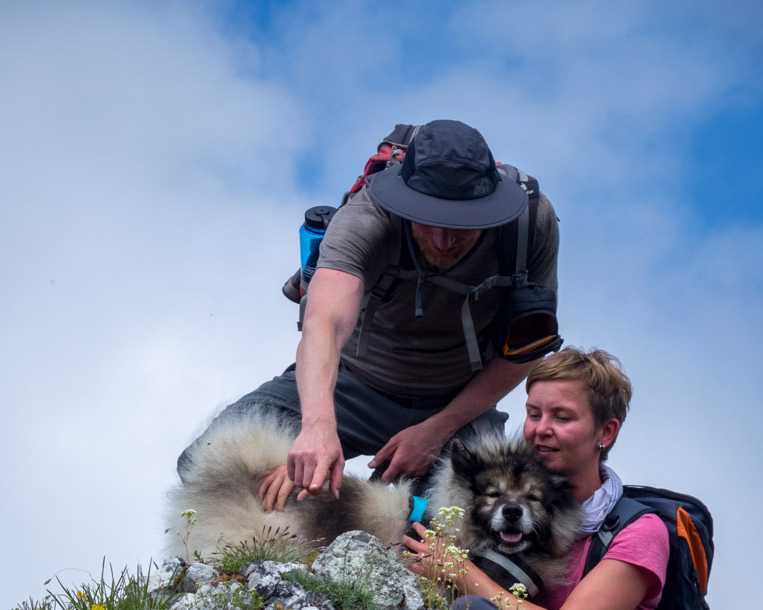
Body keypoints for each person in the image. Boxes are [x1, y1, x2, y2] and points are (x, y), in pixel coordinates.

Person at [177, 119, 560, 512]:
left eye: (462, 225)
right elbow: (323, 323)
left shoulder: (530, 225)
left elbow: (527, 349)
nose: (444, 240)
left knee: (476, 519)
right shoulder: (367, 218)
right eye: (429, 220)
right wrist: (317, 428)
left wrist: (435, 431)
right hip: (351, 385)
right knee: (206, 462)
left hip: (458, 402)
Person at [402, 347, 752, 610]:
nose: (540, 430)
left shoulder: (638, 531)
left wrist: (459, 571)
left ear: (606, 432)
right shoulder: (492, 502)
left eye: (562, 418)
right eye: (534, 414)